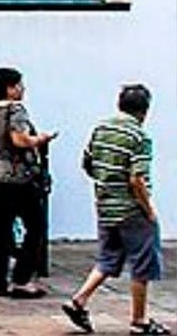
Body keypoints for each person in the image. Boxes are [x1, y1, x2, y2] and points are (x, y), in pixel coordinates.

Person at [61, 84, 169, 335]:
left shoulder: (101, 128)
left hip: (105, 206)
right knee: (143, 265)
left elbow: (87, 162)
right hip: (132, 210)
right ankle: (139, 322)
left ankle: (78, 301)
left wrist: (106, 182)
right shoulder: (140, 137)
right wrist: (149, 210)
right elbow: (136, 179)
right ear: (145, 110)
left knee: (108, 259)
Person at [0, 67, 57, 298]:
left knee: (1, 231)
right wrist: (40, 139)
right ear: (10, 88)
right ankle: (22, 279)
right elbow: (19, 139)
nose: (23, 89)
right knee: (36, 226)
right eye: (19, 85)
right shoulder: (16, 110)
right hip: (18, 178)